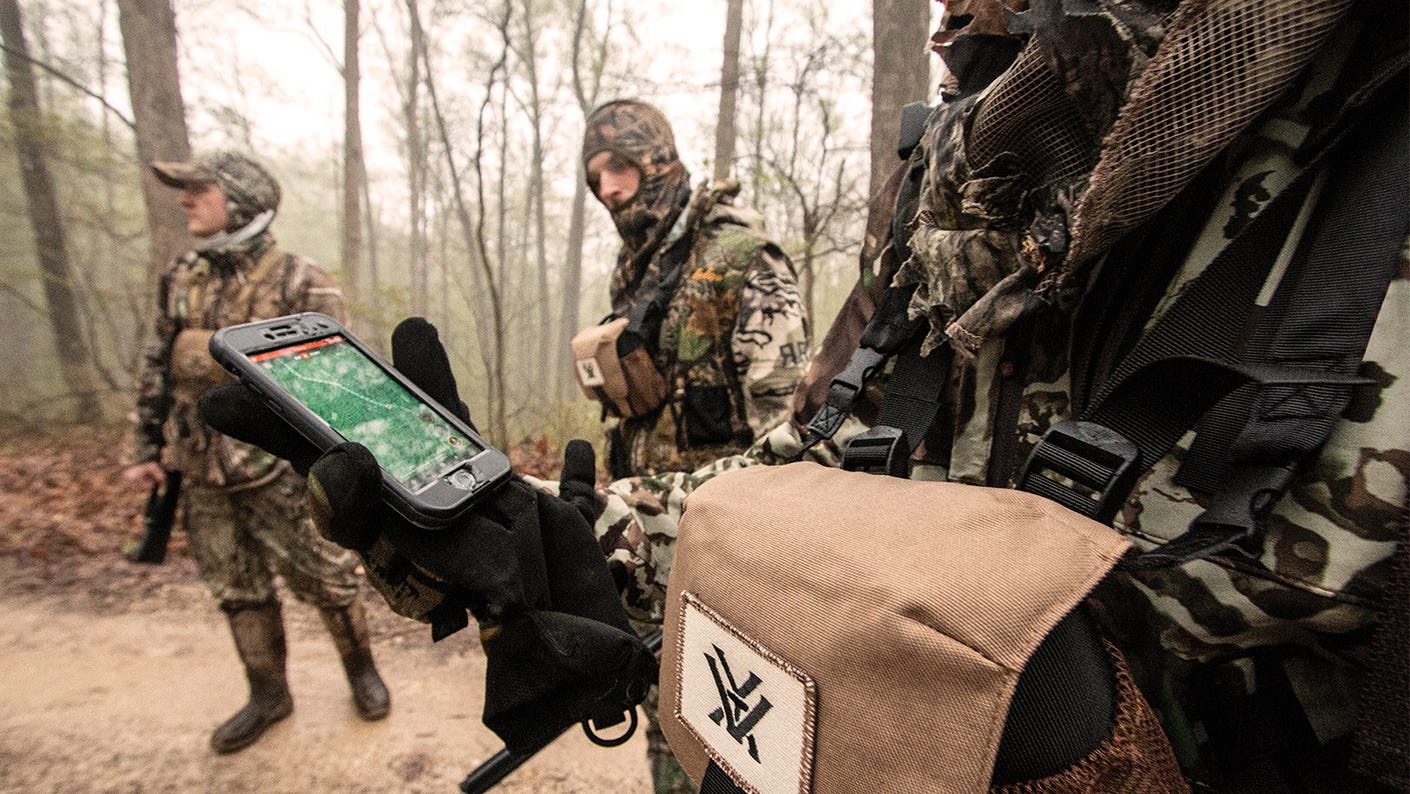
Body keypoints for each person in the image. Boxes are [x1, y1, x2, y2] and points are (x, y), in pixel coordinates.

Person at [204, 0, 1408, 790]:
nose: (952, 30)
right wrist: (565, 540)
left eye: (621, 164)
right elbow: (817, 465)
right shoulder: (966, 185)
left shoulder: (1359, 174)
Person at [121, 150, 392, 754]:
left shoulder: (302, 280)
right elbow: (154, 365)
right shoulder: (181, 277)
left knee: (329, 580)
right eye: (184, 189)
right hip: (199, 469)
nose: (187, 199)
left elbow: (343, 387)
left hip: (282, 475)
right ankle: (268, 693)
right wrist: (144, 444)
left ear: (241, 199)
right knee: (236, 586)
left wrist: (344, 470)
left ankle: (363, 674)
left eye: (200, 189)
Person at [578, 99, 811, 793]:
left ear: (658, 158)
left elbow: (793, 448)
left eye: (619, 166)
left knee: (731, 751)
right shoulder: (642, 270)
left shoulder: (744, 261)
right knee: (665, 723)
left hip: (732, 564)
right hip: (654, 561)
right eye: (595, 178)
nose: (609, 189)